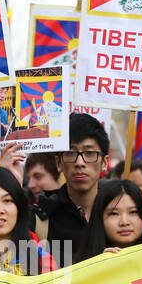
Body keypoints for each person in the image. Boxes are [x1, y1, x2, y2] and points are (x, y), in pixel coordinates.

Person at [37, 112, 108, 268]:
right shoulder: (40, 218)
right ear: (59, 163)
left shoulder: (120, 214)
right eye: (70, 153)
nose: (80, 163)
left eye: (89, 153)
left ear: (105, 162)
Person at [75, 179, 142, 262]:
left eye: (133, 212)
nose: (124, 222)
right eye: (114, 214)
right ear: (99, 218)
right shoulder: (81, 266)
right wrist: (98, 266)